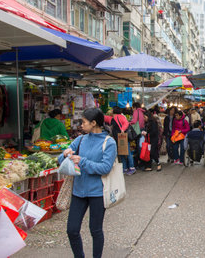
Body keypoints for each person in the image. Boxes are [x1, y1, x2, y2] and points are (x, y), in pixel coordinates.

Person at [58, 108, 117, 258]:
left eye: (83, 122)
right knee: (72, 230)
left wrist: (82, 161)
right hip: (78, 191)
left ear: (94, 123)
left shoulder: (109, 142)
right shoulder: (80, 139)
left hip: (98, 192)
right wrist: (65, 154)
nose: (81, 125)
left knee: (95, 230)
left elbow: (105, 168)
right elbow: (61, 159)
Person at [110, 107, 135, 175]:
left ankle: (131, 167)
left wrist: (122, 130)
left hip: (122, 137)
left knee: (125, 152)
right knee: (123, 152)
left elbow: (126, 123)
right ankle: (125, 168)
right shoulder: (119, 116)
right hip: (121, 137)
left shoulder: (118, 117)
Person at [130, 102, 145, 168]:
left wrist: (128, 123)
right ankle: (142, 163)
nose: (132, 109)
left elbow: (134, 121)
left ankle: (139, 163)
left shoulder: (136, 112)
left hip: (137, 131)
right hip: (142, 130)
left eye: (133, 108)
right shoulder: (142, 112)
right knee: (141, 146)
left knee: (138, 147)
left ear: (135, 107)